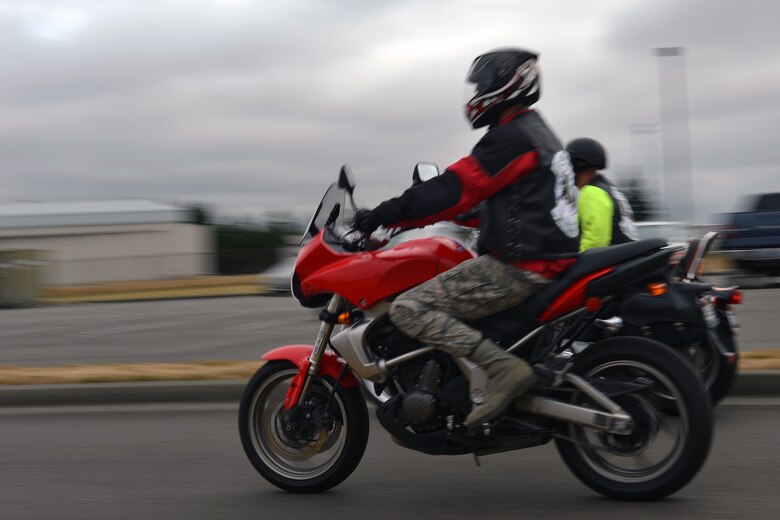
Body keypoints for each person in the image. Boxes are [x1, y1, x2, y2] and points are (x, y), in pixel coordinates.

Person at [353, 48, 580, 429]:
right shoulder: (538, 133)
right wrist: (406, 223)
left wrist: (383, 212)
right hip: (549, 260)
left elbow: (457, 187)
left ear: (507, 85)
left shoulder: (510, 138)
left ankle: (500, 369)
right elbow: (490, 202)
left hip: (520, 268)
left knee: (409, 308)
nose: (476, 95)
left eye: (483, 85)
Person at [565, 137, 638, 251]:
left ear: (578, 164)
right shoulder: (609, 189)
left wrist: (572, 260)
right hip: (624, 257)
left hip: (611, 263)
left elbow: (595, 242)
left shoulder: (591, 192)